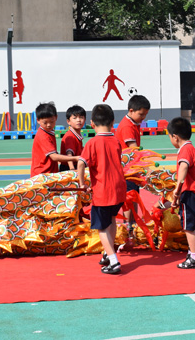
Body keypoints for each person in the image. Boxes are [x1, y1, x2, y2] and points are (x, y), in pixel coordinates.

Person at [77, 104, 127, 274]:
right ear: (113, 122)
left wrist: (82, 184)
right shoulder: (116, 141)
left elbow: (81, 163)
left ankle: (113, 260)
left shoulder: (92, 143)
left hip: (103, 191)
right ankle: (108, 252)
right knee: (111, 220)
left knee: (102, 228)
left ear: (92, 123)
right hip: (118, 189)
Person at [168, 117, 195, 269]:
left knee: (188, 226)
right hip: (194, 192)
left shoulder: (185, 150)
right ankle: (192, 253)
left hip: (192, 192)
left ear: (175, 137)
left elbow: (184, 167)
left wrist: (177, 189)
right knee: (187, 222)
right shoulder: (190, 148)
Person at [115, 95, 150, 231]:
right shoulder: (127, 126)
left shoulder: (133, 124)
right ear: (131, 111)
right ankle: (128, 226)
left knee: (134, 196)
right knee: (129, 197)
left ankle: (133, 224)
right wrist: (146, 166)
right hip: (127, 169)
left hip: (132, 168)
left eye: (145, 114)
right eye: (141, 114)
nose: (143, 118)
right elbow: (134, 149)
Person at [31, 102, 79, 176]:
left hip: (49, 173)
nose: (49, 125)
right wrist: (75, 158)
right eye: (45, 123)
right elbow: (54, 157)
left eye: (52, 121)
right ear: (38, 120)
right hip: (43, 174)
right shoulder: (43, 136)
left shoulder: (49, 132)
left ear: (56, 117)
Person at [59, 105, 86, 172]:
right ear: (68, 121)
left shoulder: (77, 135)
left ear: (85, 119)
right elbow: (69, 154)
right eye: (75, 118)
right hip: (68, 168)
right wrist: (72, 169)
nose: (78, 120)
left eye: (81, 117)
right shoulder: (70, 136)